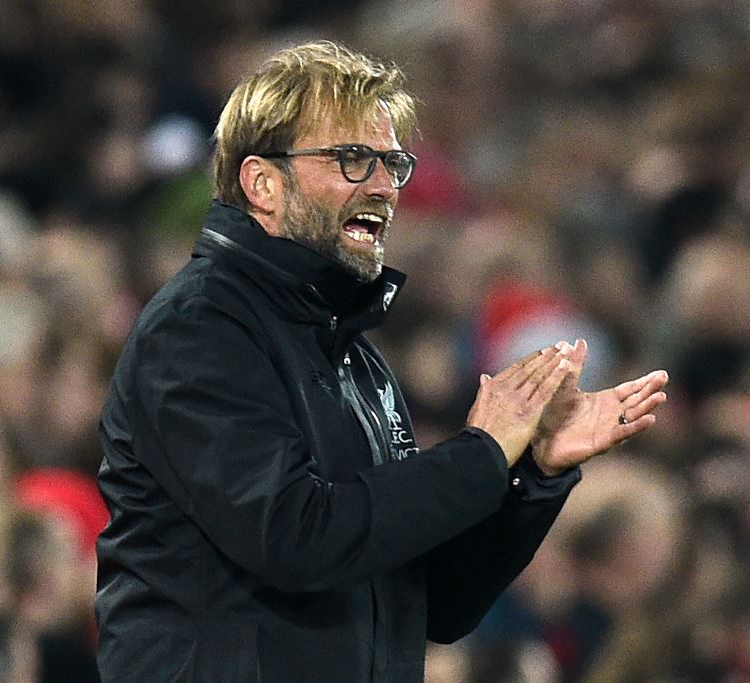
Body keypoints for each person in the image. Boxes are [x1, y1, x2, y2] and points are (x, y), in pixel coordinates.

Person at [95, 40, 668, 682]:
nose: (385, 187)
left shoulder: (357, 360)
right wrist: (479, 451)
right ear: (263, 182)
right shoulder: (200, 328)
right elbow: (297, 538)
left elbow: (435, 606)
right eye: (351, 160)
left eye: (392, 163)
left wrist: (529, 473)